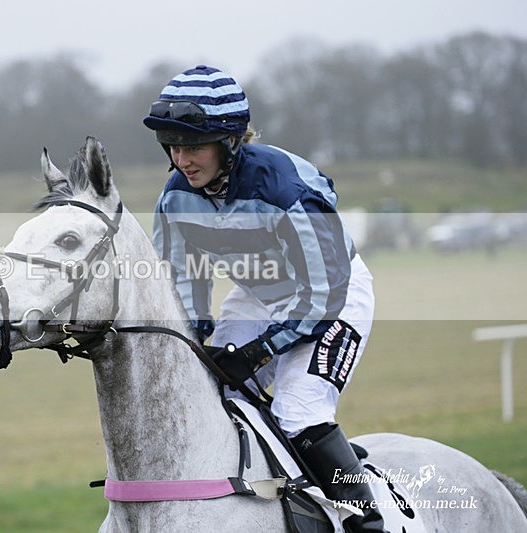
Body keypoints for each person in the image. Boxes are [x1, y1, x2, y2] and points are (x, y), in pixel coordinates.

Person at [144, 65, 386, 532]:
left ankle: (365, 519)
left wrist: (257, 352)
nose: (182, 159)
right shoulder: (175, 198)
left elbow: (323, 292)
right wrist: (198, 334)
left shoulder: (286, 188)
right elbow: (182, 280)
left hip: (332, 297)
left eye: (193, 146)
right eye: (173, 147)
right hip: (258, 298)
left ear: (231, 141)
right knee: (215, 396)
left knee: (299, 411)